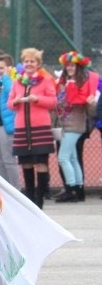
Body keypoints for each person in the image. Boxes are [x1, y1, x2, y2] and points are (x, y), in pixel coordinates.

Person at [7, 48, 57, 208]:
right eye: (26, 61)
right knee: (26, 164)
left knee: (41, 163)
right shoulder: (17, 82)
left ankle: (40, 200)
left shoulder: (45, 81)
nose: (29, 64)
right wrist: (16, 101)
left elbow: (52, 102)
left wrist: (37, 99)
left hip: (40, 128)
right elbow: (9, 104)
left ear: (38, 64)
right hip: (22, 129)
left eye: (32, 61)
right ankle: (30, 201)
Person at [53, 51, 94, 203]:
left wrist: (90, 102)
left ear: (78, 67)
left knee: (63, 157)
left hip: (75, 125)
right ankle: (78, 189)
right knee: (72, 158)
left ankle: (70, 189)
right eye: (68, 65)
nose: (70, 68)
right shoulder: (64, 82)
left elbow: (85, 104)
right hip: (66, 124)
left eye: (73, 65)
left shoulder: (81, 83)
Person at [0, 54, 20, 189]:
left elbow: (12, 92)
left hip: (5, 127)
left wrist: (7, 77)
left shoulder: (12, 81)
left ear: (9, 68)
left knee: (8, 161)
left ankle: (16, 190)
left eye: (2, 68)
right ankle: (5, 191)